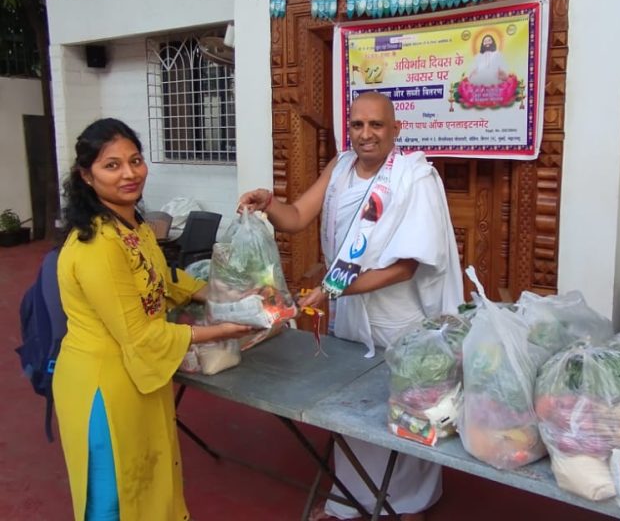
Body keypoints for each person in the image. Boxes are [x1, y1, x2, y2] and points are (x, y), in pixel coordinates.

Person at [238, 92, 463, 520]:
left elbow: (406, 267)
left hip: (399, 318)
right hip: (350, 313)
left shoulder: (414, 177)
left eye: (376, 125)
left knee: (410, 405)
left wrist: (334, 288)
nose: (365, 134)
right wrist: (269, 204)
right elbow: (297, 215)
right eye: (357, 125)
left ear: (395, 129)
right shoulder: (340, 168)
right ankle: (351, 499)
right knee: (350, 409)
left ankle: (410, 502)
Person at [53, 118, 253, 520]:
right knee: (115, 499)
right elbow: (142, 336)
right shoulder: (97, 245)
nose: (129, 173)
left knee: (148, 485)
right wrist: (226, 328)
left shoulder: (132, 224)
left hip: (138, 378)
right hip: (104, 388)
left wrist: (224, 295)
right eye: (112, 165)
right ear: (87, 176)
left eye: (135, 160)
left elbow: (162, 278)